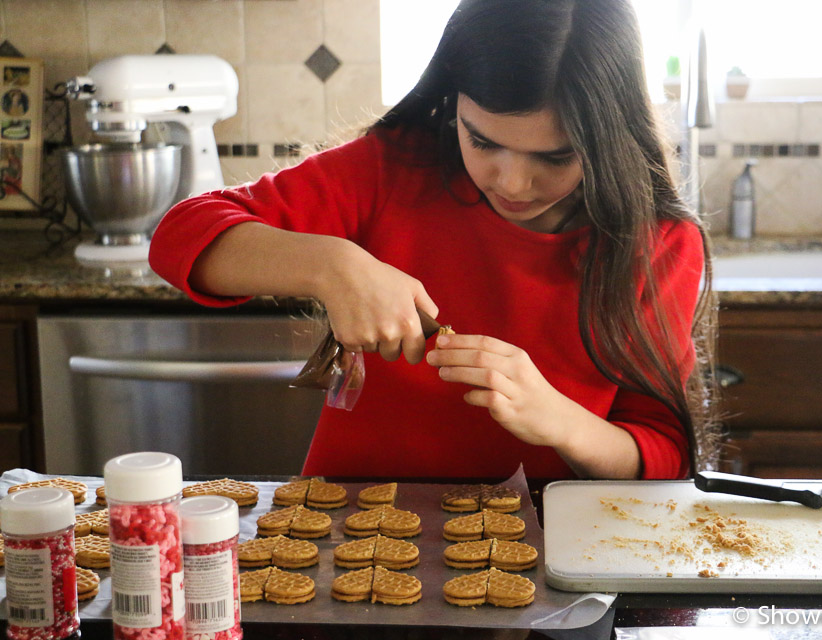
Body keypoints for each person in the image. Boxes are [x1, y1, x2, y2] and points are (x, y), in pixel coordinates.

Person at [149, 0, 719, 481]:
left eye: (555, 156)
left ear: (611, 136)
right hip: (346, 540)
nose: (513, 182)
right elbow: (179, 236)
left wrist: (559, 419)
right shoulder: (394, 167)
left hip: (551, 566)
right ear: (454, 104)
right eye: (483, 141)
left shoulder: (658, 244)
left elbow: (664, 456)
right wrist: (329, 265)